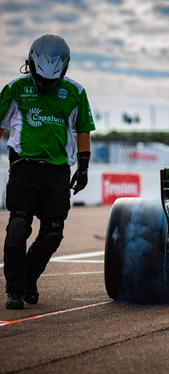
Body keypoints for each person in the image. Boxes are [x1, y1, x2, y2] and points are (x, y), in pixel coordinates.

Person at [0, 34, 95, 309]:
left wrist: (84, 166)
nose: (43, 85)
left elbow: (82, 130)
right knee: (18, 227)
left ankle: (30, 279)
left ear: (63, 71)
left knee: (53, 233)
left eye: (50, 81)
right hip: (23, 167)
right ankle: (15, 290)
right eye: (39, 79)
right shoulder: (15, 89)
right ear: (29, 64)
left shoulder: (76, 92)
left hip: (57, 170)